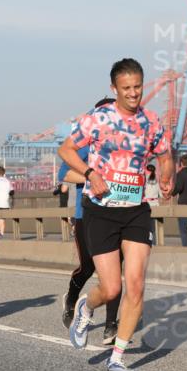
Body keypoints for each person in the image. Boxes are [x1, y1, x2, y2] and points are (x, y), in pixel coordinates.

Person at [58, 58, 173, 371]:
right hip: (100, 211)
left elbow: (165, 154)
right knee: (111, 289)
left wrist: (166, 175)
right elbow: (66, 150)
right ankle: (86, 307)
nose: (134, 93)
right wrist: (91, 173)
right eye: (127, 88)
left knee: (135, 286)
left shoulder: (152, 121)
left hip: (136, 210)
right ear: (114, 89)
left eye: (138, 86)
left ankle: (117, 359)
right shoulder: (97, 118)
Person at [57, 99, 123, 344]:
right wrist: (93, 178)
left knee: (115, 273)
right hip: (87, 215)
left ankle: (111, 325)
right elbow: (64, 174)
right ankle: (72, 300)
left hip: (118, 214)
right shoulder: (88, 140)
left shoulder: (124, 140)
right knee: (87, 268)